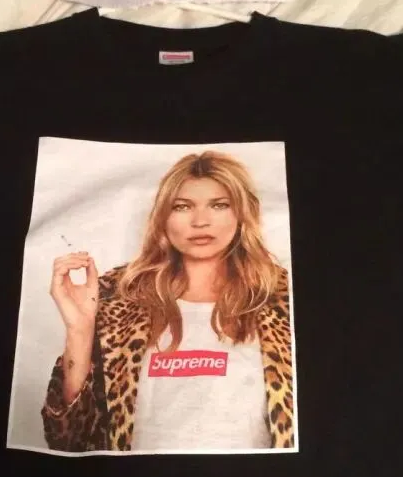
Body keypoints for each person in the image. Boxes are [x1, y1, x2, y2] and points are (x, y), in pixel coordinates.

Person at [41, 150, 294, 452]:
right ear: (163, 217)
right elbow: (68, 441)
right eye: (182, 207)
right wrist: (80, 331)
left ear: (242, 214)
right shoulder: (119, 295)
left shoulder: (282, 297)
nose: (200, 221)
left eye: (219, 205)